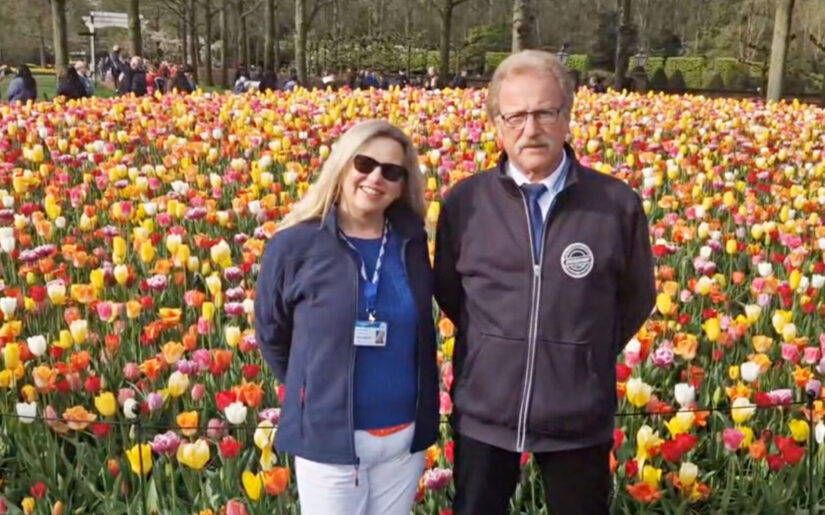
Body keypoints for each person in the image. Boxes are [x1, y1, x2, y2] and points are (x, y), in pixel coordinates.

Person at [434, 49, 655, 515]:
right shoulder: (466, 203)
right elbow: (453, 295)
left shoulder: (614, 204)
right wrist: (499, 344)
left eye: (544, 112)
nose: (530, 129)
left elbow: (635, 298)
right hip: (485, 413)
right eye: (515, 115)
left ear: (567, 116)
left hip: (578, 415)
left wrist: (581, 353)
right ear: (496, 123)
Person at [254, 119, 439, 515]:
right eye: (365, 163)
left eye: (392, 172)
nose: (376, 178)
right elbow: (272, 334)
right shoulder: (295, 245)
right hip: (330, 436)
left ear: (403, 184)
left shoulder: (412, 241)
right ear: (342, 165)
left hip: (403, 440)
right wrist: (316, 389)